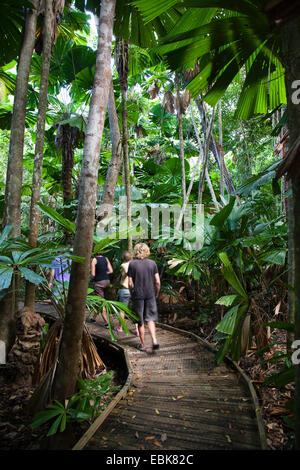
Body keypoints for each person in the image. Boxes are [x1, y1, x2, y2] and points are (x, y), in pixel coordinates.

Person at [128, 242, 160, 352]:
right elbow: (157, 282)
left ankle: (143, 345)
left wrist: (132, 294)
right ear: (147, 251)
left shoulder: (132, 264)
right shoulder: (152, 263)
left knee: (140, 321)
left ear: (136, 251)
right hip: (150, 294)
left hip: (138, 295)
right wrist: (156, 293)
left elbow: (130, 283)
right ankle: (154, 341)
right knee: (150, 319)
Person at [115, 251, 139, 336]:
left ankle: (120, 327)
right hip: (134, 290)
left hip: (125, 289)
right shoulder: (135, 265)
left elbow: (126, 271)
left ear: (123, 258)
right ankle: (137, 330)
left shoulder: (124, 265)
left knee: (122, 309)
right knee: (135, 310)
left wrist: (125, 276)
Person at [88, 253, 113, 327]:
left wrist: (97, 274)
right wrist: (104, 273)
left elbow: (93, 274)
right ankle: (93, 318)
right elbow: (111, 271)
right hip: (107, 282)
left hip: (99, 284)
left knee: (101, 303)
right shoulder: (106, 258)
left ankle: (107, 323)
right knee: (99, 300)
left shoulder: (94, 260)